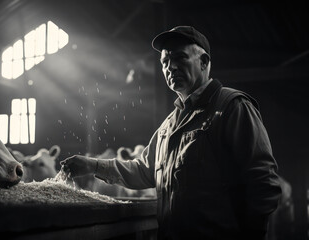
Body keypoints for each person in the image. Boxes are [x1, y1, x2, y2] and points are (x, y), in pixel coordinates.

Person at [60, 26, 282, 240]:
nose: (170, 67)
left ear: (203, 62)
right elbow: (143, 170)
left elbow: (263, 182)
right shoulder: (168, 126)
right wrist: (92, 165)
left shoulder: (231, 107)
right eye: (165, 62)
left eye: (180, 58)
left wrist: (252, 234)